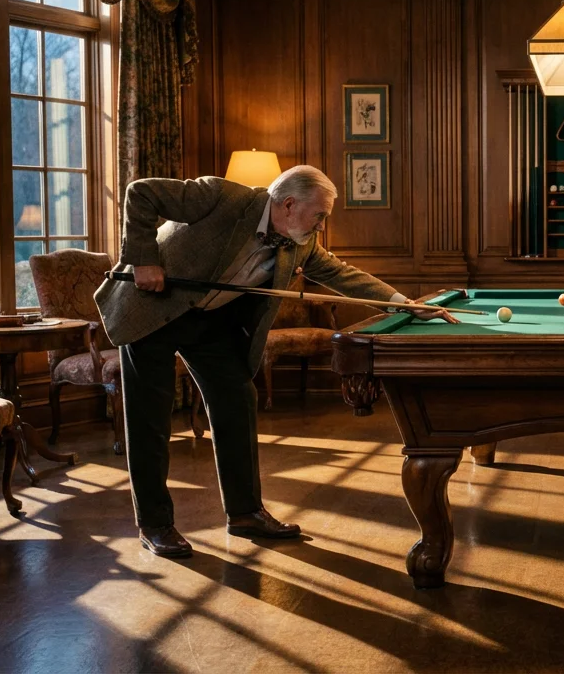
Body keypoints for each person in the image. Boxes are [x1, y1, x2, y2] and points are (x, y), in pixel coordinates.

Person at [95, 165, 456, 558]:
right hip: (151, 308)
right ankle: (155, 524)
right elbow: (141, 192)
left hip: (209, 320)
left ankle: (245, 512)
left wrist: (407, 305)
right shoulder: (221, 197)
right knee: (150, 418)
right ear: (288, 204)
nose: (321, 225)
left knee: (237, 401)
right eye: (319, 215)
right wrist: (144, 260)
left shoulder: (300, 243)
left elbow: (344, 275)